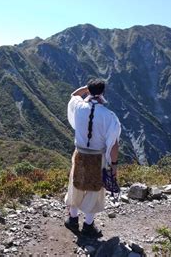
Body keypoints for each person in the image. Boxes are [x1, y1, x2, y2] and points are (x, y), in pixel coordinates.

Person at [64, 79, 121, 237]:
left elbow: (74, 95)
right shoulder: (110, 117)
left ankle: (73, 220)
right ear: (103, 93)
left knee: (76, 185)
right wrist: (114, 167)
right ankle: (88, 226)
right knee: (95, 189)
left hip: (80, 155)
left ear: (88, 91)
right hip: (98, 157)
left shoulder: (79, 107)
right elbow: (114, 145)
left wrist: (85, 89)